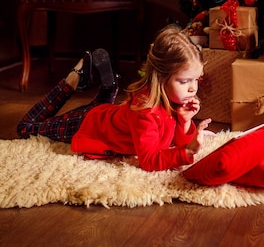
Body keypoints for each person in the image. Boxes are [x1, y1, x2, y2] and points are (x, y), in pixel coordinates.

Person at [17, 25, 214, 171]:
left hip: (109, 116)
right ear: (160, 78)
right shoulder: (145, 110)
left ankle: (108, 89)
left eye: (196, 80)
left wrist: (185, 122)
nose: (192, 88)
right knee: (25, 128)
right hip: (87, 125)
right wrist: (186, 153)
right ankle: (70, 83)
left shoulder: (172, 98)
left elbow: (172, 141)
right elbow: (149, 160)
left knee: (107, 110)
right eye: (184, 81)